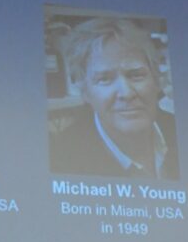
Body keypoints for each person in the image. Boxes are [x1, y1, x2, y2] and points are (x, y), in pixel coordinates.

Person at [49, 18, 179, 180]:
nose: (126, 93)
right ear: (84, 90)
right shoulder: (60, 157)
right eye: (105, 79)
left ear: (156, 79)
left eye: (136, 75)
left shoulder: (184, 134)